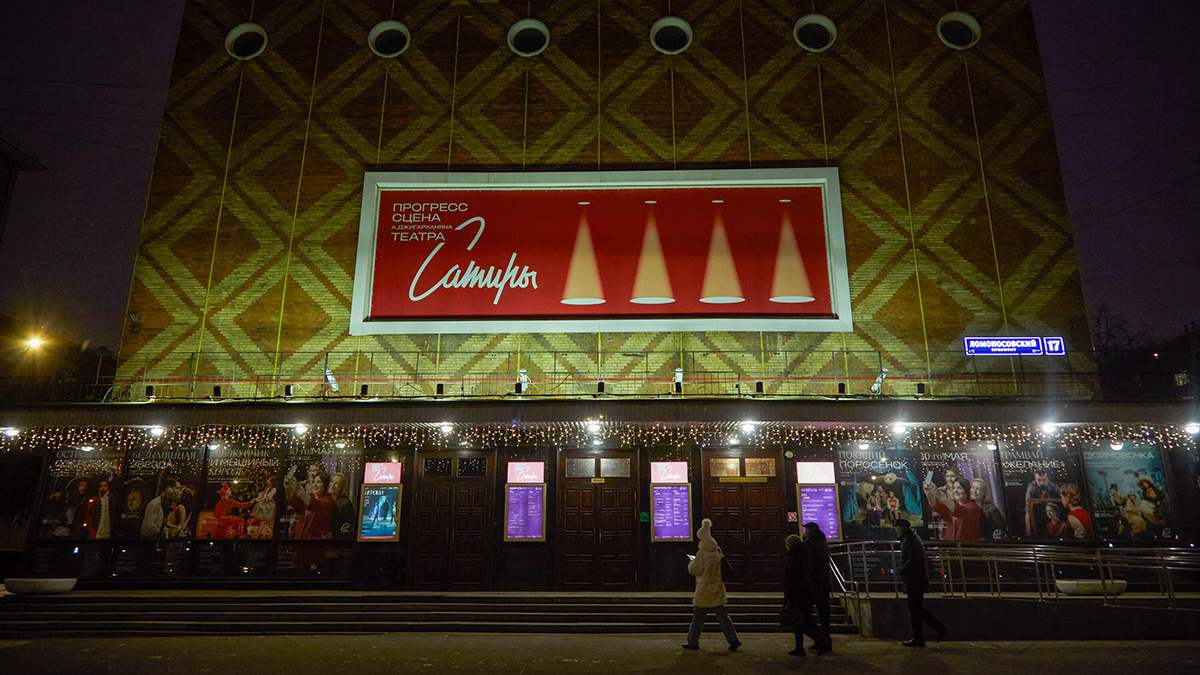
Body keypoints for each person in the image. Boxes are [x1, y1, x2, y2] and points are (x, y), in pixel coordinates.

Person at [683, 518, 740, 652]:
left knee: (698, 617)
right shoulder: (717, 550)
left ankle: (692, 641)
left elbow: (696, 570)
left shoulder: (702, 553)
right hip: (716, 587)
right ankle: (733, 639)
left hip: (704, 588)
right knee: (723, 616)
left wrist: (691, 563)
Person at [895, 518, 946, 647]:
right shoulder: (912, 538)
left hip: (914, 579)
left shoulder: (909, 540)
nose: (896, 530)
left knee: (915, 609)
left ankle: (924, 635)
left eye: (897, 527)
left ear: (901, 528)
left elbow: (914, 558)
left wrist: (903, 570)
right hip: (917, 578)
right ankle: (932, 631)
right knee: (917, 608)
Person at [801, 522, 835, 653]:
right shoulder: (822, 542)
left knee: (810, 615)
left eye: (806, 530)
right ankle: (824, 640)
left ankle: (822, 641)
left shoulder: (811, 543)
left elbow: (808, 563)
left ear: (809, 530)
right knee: (824, 614)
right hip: (823, 583)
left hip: (814, 583)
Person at [328, 473, 356, 540]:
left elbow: (351, 524)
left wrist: (334, 534)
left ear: (342, 487)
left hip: (338, 540)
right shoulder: (326, 499)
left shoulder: (345, 502)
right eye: (332, 481)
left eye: (337, 483)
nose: (332, 485)